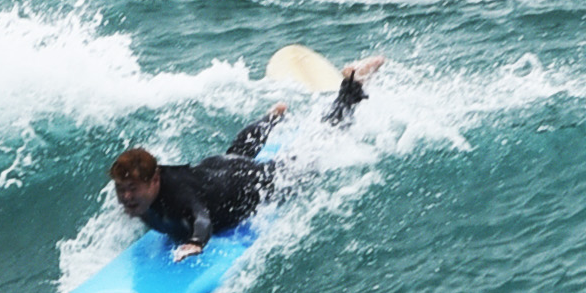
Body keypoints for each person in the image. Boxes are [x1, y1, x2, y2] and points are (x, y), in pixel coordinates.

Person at [108, 57, 385, 258]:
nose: (127, 197)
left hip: (246, 183)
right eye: (121, 190)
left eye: (133, 189)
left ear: (155, 179)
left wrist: (195, 242)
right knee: (236, 154)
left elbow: (202, 218)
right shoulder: (146, 190)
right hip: (216, 170)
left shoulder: (177, 194)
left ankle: (351, 87)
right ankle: (270, 119)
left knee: (315, 152)